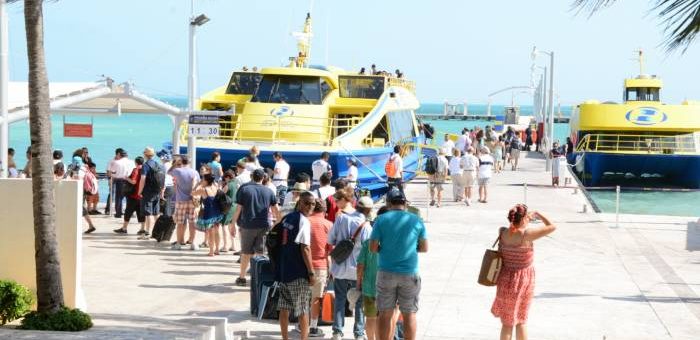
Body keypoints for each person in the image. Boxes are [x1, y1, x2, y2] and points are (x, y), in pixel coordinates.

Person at [370, 189, 427, 340]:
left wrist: (386, 249)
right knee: (409, 314)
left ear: (388, 203)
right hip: (409, 273)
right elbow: (424, 248)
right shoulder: (416, 220)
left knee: (385, 314)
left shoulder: (381, 220)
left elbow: (373, 247)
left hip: (386, 272)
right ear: (405, 203)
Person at [491, 205, 556, 340]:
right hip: (523, 281)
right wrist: (538, 213)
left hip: (505, 279)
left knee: (507, 323)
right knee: (521, 320)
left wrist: (524, 219)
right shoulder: (527, 235)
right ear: (525, 218)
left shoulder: (502, 232)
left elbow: (512, 229)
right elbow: (552, 226)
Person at [327, 195, 373, 340]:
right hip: (357, 270)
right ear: (368, 210)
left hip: (339, 267)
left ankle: (337, 332)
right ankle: (359, 333)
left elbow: (330, 239)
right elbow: (369, 250)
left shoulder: (341, 218)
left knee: (339, 299)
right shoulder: (366, 226)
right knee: (359, 301)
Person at [273, 191, 315, 340]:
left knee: (284, 308)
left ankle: (285, 338)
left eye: (313, 204)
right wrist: (311, 272)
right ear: (300, 203)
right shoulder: (303, 221)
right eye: (307, 203)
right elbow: (305, 248)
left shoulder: (286, 219)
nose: (310, 206)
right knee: (303, 310)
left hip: (284, 270)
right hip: (298, 272)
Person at [232, 168, 280, 286]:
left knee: (246, 252)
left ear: (252, 177)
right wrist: (276, 224)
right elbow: (276, 210)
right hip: (264, 225)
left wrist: (232, 224)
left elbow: (238, 209)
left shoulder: (245, 189)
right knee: (260, 252)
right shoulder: (269, 191)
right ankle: (258, 278)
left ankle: (242, 277)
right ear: (263, 178)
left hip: (247, 225)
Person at [308, 198, 333, 338]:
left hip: (301, 265)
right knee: (316, 297)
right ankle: (313, 327)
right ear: (324, 210)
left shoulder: (304, 221)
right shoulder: (329, 225)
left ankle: (301, 323)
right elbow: (331, 249)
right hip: (320, 265)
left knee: (302, 296)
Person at [170, 155, 201, 250]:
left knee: (180, 223)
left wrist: (175, 163)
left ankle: (179, 243)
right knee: (193, 223)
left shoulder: (177, 171)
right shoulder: (194, 172)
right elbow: (198, 184)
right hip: (193, 201)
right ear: (189, 162)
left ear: (181, 161)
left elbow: (168, 171)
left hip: (180, 201)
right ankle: (193, 243)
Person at [193, 173, 223, 256]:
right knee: (217, 231)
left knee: (210, 233)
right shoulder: (215, 187)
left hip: (209, 213)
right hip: (217, 212)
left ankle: (211, 251)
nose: (201, 180)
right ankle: (217, 249)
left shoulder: (203, 189)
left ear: (206, 181)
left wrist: (197, 185)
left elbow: (192, 193)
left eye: (202, 179)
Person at [114, 156, 145, 235]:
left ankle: (124, 228)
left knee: (128, 211)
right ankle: (142, 229)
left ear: (136, 163)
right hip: (141, 195)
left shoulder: (136, 170)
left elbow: (133, 182)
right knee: (140, 212)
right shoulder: (145, 170)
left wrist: (126, 178)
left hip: (133, 195)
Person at [138, 147, 164, 239]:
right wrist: (161, 191)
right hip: (157, 191)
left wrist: (139, 191)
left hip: (148, 192)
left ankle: (148, 232)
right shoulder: (158, 164)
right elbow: (162, 179)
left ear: (145, 155)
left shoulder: (145, 165)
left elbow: (143, 179)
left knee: (148, 213)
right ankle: (158, 232)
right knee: (156, 213)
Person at [109, 148, 134, 218]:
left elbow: (112, 172)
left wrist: (112, 175)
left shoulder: (117, 162)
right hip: (129, 181)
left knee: (119, 197)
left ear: (119, 155)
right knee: (129, 198)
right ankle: (129, 212)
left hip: (119, 180)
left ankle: (118, 213)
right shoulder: (132, 162)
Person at [222, 170, 238, 252]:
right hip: (235, 206)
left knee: (224, 225)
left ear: (227, 177)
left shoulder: (228, 185)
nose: (225, 180)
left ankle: (225, 246)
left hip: (228, 207)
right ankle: (234, 245)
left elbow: (221, 194)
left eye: (225, 178)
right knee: (232, 226)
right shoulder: (236, 184)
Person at [159, 151, 175, 217]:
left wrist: (162, 190)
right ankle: (170, 221)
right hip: (172, 187)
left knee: (166, 206)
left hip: (167, 187)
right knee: (170, 205)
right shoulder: (171, 165)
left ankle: (167, 222)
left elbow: (165, 178)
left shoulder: (164, 166)